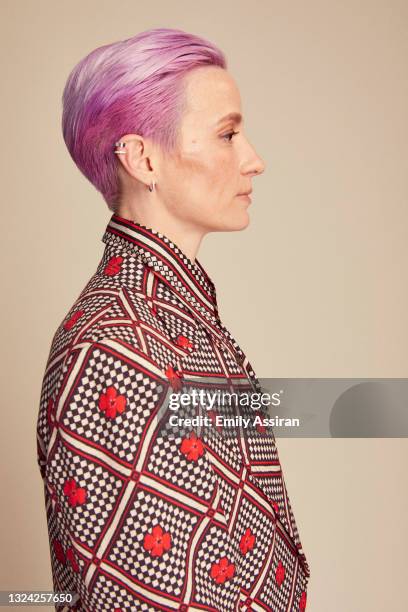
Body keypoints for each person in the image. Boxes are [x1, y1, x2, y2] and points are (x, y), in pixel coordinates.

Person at [36, 27, 310, 611]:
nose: (254, 161)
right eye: (228, 135)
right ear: (141, 158)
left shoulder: (172, 318)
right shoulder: (111, 343)